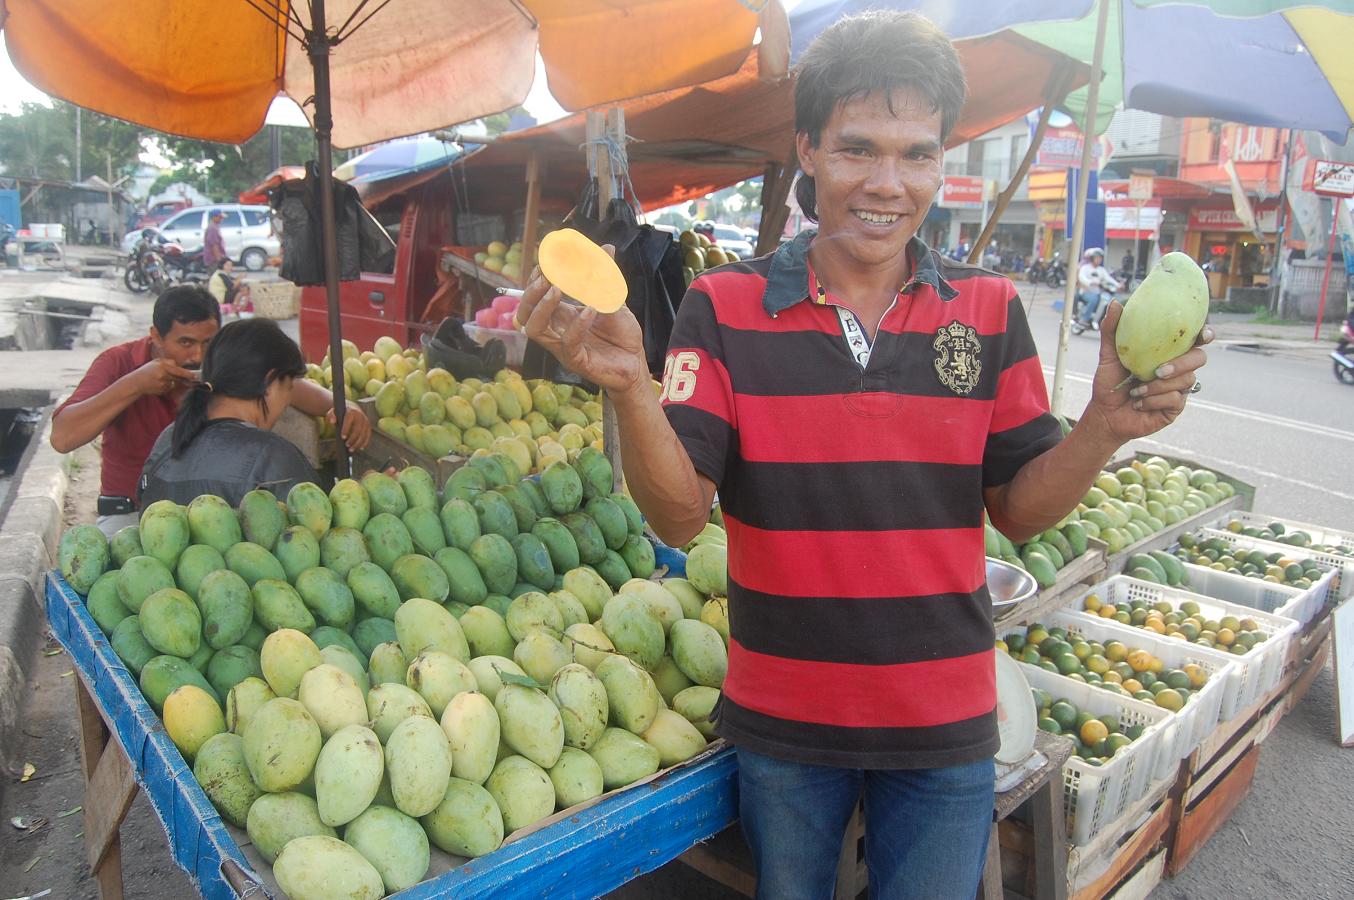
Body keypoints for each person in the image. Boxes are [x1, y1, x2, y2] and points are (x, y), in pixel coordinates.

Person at [517, 11, 1209, 898]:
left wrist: (1104, 427)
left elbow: (1021, 509)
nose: (888, 184)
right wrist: (632, 390)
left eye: (917, 154)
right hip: (785, 724)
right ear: (807, 148)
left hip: (946, 720)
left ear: (943, 159)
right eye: (857, 149)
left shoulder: (992, 311)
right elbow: (682, 514)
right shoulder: (722, 308)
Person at [52, 285, 370, 536]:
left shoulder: (217, 366)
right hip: (133, 514)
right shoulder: (118, 363)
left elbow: (288, 384)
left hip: (211, 511)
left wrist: (342, 406)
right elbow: (63, 437)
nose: (198, 355)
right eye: (186, 342)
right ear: (155, 337)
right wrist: (136, 384)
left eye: (208, 343)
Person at [138, 319, 318, 507]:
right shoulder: (273, 457)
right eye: (288, 388)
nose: (287, 400)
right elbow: (311, 527)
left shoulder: (169, 438)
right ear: (269, 383)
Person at [1075, 248, 1120, 331]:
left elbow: (1108, 279)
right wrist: (1090, 282)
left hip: (1098, 292)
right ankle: (1084, 319)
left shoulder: (1101, 270)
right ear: (1092, 258)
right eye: (1097, 258)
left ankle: (1099, 320)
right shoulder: (1085, 268)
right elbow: (1081, 278)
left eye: (1100, 258)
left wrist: (1118, 285)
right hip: (1086, 291)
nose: (1099, 260)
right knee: (1093, 299)